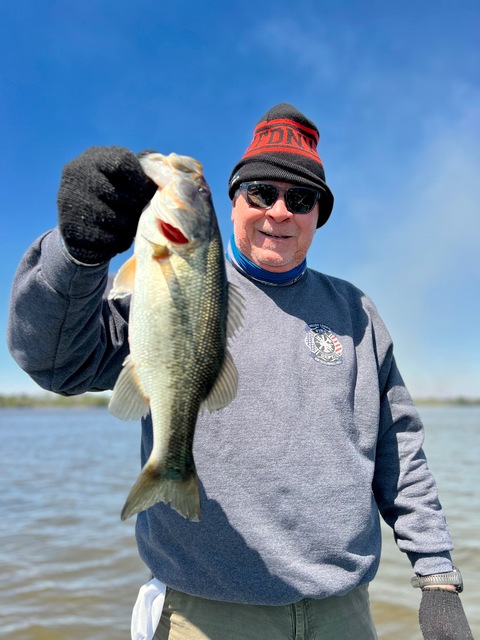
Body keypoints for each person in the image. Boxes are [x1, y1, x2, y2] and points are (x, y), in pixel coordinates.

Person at [7, 103, 474, 640]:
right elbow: (55, 360)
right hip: (203, 614)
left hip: (344, 613)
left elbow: (401, 451)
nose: (279, 212)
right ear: (232, 203)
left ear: (318, 216)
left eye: (300, 200)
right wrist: (80, 253)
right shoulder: (164, 287)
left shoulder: (357, 313)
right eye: (261, 193)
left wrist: (437, 575)